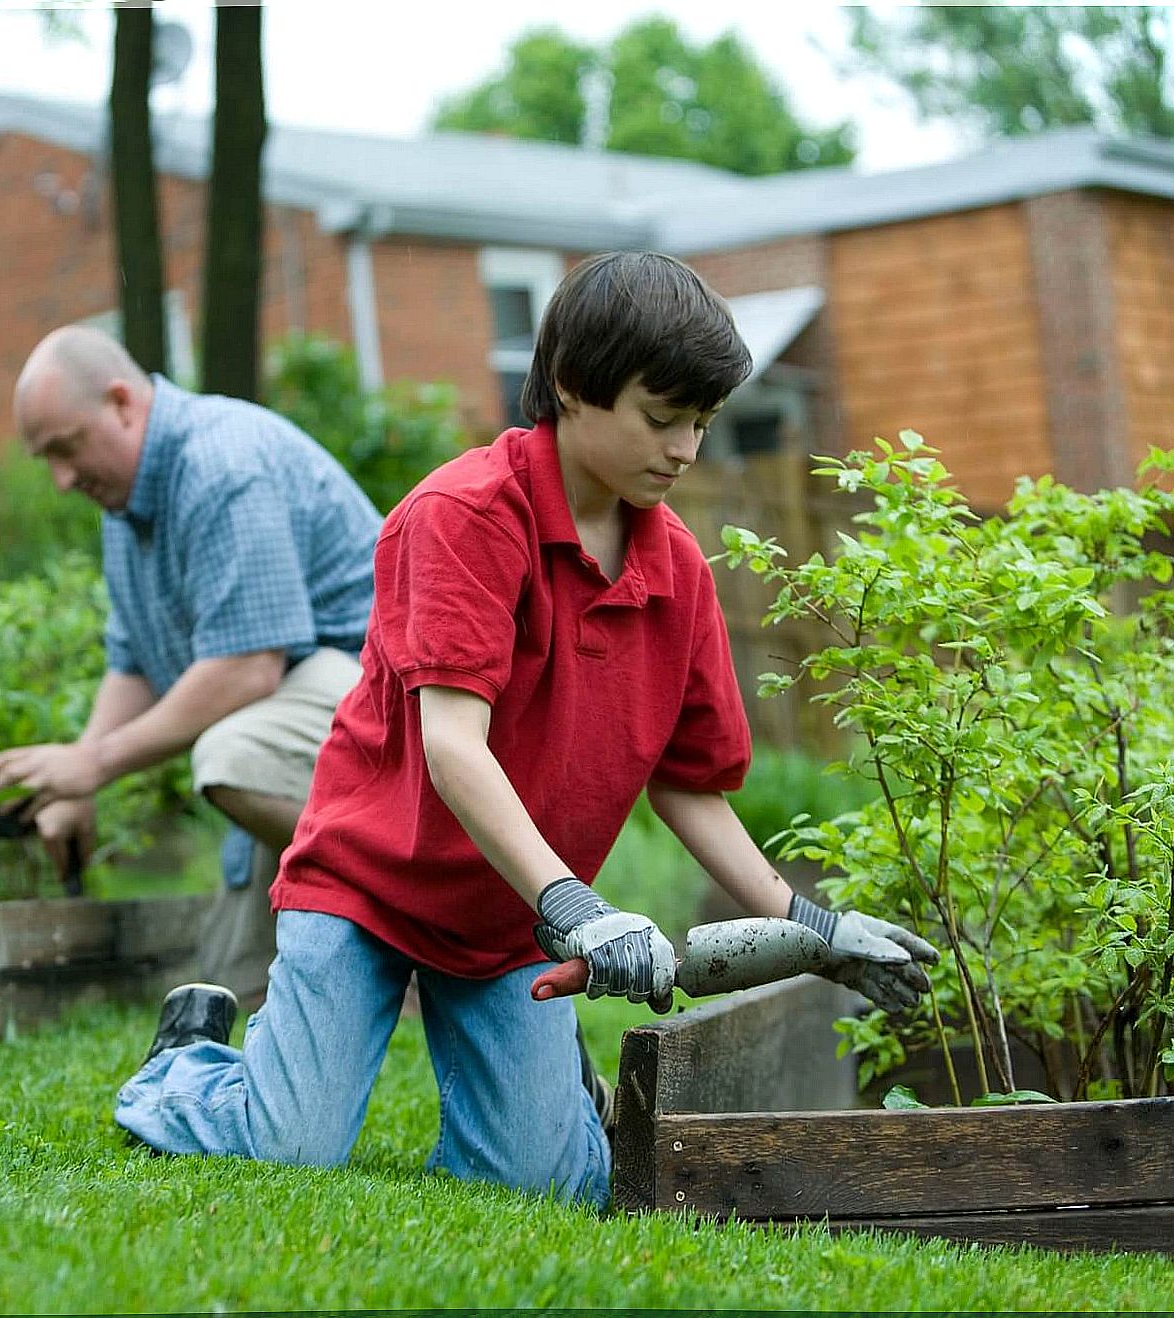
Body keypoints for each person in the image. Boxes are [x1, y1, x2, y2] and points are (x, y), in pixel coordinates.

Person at [112, 252, 940, 1206]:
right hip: (369, 886)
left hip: (509, 920)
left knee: (544, 1183)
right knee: (288, 1150)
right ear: (574, 389)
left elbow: (687, 781)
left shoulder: (677, 572)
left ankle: (546, 1104)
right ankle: (188, 1068)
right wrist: (578, 907)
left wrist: (810, 927)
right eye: (660, 416)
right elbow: (453, 743)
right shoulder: (463, 516)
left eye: (702, 423)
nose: (684, 449)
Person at [0, 326, 384, 1006]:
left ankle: (418, 913)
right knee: (229, 988)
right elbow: (133, 657)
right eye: (45, 459)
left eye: (66, 448)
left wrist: (99, 762)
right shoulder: (128, 505)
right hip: (299, 721)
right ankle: (355, 949)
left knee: (234, 755)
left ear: (122, 404)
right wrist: (76, 777)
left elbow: (249, 666)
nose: (61, 478)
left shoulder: (219, 467)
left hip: (384, 700)